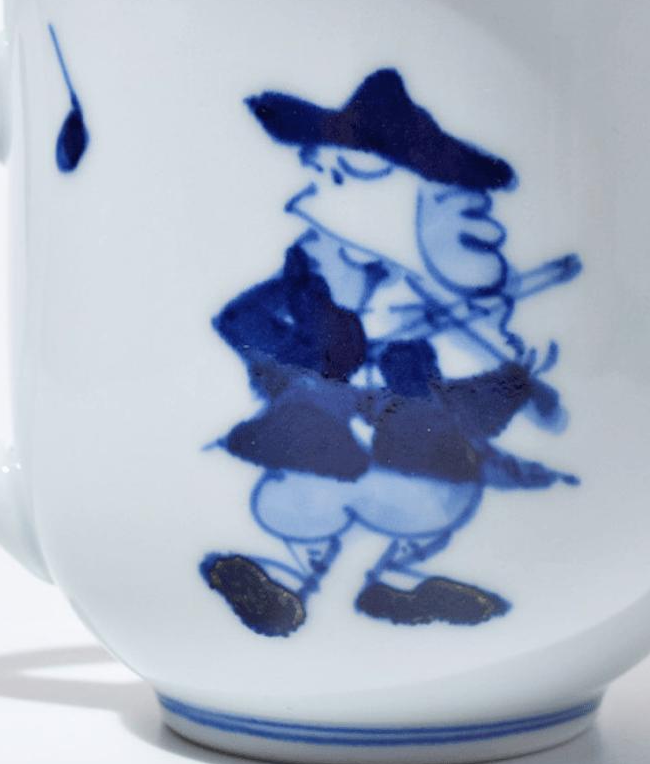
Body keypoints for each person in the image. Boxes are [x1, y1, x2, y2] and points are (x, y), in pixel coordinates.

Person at [199, 68, 581, 637]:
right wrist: (304, 360)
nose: (306, 196)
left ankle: (395, 582)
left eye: (327, 176)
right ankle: (285, 583)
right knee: (308, 495)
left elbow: (480, 380)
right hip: (320, 434)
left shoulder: (443, 304)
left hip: (412, 443)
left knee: (422, 493)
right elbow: (239, 322)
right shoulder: (310, 281)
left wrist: (513, 380)